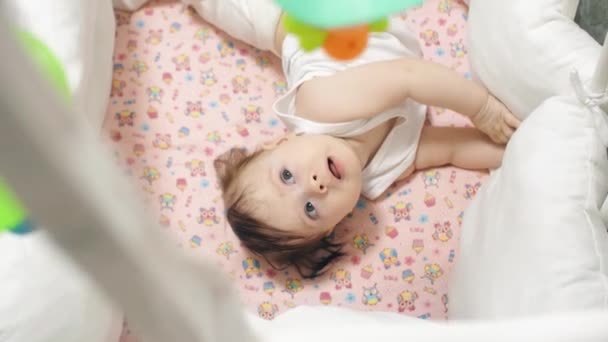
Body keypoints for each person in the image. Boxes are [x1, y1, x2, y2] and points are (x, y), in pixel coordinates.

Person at [183, 0, 521, 277]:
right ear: (333, 227)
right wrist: (518, 147)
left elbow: (410, 76)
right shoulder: (379, 176)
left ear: (279, 143)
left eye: (287, 176)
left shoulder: (322, 107)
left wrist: (485, 110)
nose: (314, 185)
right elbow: (451, 149)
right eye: (311, 210)